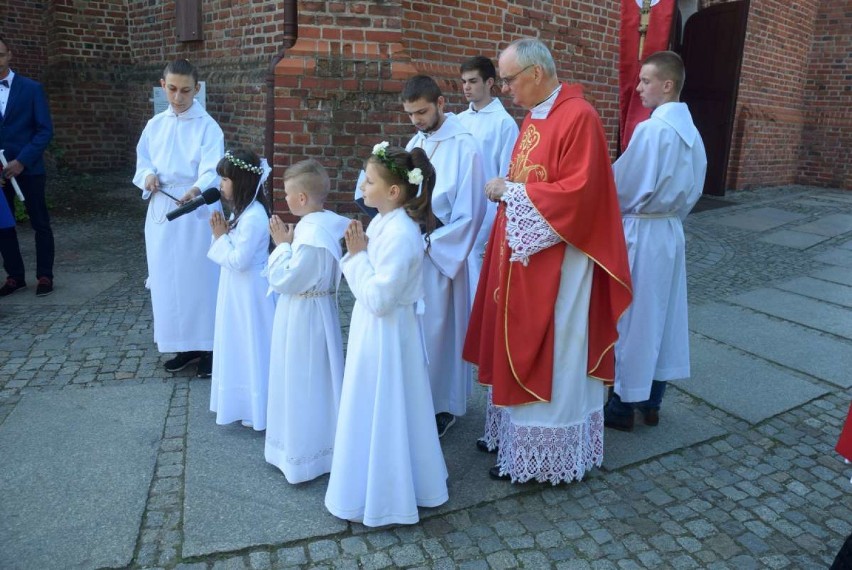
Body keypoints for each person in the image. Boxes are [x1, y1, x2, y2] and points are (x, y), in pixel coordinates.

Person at [463, 38, 633, 485]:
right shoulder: (539, 113)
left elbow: (582, 194)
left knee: (555, 349)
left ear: (536, 73)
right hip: (524, 256)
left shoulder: (579, 116)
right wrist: (510, 188)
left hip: (562, 262)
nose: (505, 89)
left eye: (509, 79)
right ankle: (517, 440)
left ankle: (549, 450)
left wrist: (512, 192)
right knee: (517, 336)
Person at [325, 143, 448, 526]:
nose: (361, 184)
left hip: (388, 334)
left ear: (394, 192)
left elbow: (379, 298)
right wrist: (359, 252)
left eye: (370, 180)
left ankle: (389, 494)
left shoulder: (401, 234)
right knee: (372, 403)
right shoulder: (383, 221)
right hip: (375, 330)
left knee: (388, 404)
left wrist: (357, 256)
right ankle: (367, 480)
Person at [604, 51, 707, 431]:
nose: (638, 87)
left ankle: (621, 406)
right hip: (669, 231)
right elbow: (696, 187)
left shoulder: (652, 130)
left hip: (642, 232)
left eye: (646, 81)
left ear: (667, 85)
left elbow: (620, 186)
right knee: (662, 317)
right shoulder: (691, 134)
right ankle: (652, 400)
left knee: (633, 318)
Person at [402, 74, 486, 437]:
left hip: (439, 252)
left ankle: (440, 406)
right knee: (413, 330)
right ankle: (411, 397)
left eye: (421, 111)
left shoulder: (465, 146)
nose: (416, 120)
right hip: (413, 249)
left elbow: (471, 211)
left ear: (440, 103)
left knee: (436, 331)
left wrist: (434, 242)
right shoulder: (416, 140)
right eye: (410, 114)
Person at [133, 59, 223, 377]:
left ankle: (210, 347)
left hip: (195, 209)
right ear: (163, 85)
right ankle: (183, 345)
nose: (178, 97)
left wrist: (197, 188)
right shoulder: (155, 124)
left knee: (199, 279)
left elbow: (213, 167)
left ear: (196, 89)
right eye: (172, 89)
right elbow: (143, 160)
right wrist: (147, 176)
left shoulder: (208, 126)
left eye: (185, 90)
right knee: (167, 280)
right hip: (162, 204)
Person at [264, 159, 350, 483]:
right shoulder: (326, 223)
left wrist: (282, 247)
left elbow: (287, 279)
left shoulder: (312, 233)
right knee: (316, 377)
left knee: (303, 379)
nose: (284, 200)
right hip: (316, 311)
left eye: (287, 194)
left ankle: (306, 456)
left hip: (304, 316)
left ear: (302, 199)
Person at [207, 149, 275, 430]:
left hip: (251, 294)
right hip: (236, 291)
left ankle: (256, 406)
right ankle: (240, 402)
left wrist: (221, 238)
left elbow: (239, 260)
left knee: (251, 344)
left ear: (242, 181)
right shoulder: (243, 211)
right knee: (237, 342)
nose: (220, 184)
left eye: (225, 179)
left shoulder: (255, 216)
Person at [457, 55, 519, 299]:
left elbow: (507, 174)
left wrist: (495, 220)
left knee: (479, 277)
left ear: (490, 82)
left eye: (473, 81)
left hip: (486, 212)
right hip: (458, 210)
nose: (466, 87)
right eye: (463, 82)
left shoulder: (504, 124)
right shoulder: (459, 121)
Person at [0, 36, 56, 297]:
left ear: (9, 54)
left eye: (0, 54)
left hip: (29, 167)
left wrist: (21, 161)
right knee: (4, 226)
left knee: (40, 223)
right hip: (0, 173)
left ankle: (45, 275)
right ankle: (15, 277)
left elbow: (44, 130)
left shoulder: (31, 89)